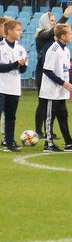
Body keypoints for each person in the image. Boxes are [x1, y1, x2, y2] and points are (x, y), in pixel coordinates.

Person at [39, 23, 72, 152]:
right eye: (70, 34)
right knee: (50, 117)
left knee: (63, 115)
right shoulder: (54, 49)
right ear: (63, 36)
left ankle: (69, 143)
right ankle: (48, 143)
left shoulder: (66, 50)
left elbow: (66, 70)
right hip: (51, 90)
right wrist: (63, 83)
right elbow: (47, 70)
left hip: (61, 91)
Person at [0, 19, 28, 151]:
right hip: (1, 86)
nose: (20, 32)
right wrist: (16, 63)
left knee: (11, 117)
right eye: (17, 30)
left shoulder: (21, 49)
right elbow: (1, 67)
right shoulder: (1, 47)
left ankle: (9, 142)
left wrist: (21, 65)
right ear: (9, 31)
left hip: (14, 87)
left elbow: (23, 70)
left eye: (20, 30)